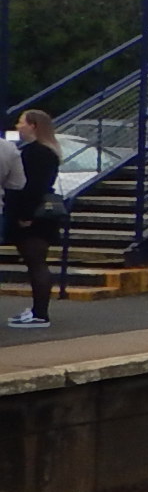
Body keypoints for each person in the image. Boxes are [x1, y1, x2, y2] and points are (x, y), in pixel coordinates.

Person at [5, 109, 61, 330]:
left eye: (22, 122)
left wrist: (25, 215)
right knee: (36, 262)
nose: (18, 126)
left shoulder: (36, 153)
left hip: (32, 215)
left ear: (33, 125)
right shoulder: (47, 151)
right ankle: (38, 311)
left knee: (35, 262)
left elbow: (33, 187)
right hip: (39, 214)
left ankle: (40, 313)